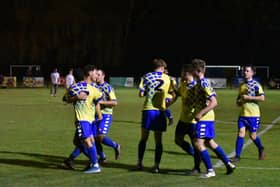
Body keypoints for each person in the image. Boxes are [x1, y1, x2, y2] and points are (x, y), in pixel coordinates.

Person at [191, 58, 235, 178]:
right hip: (208, 118)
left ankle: (210, 171)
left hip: (205, 118)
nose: (191, 71)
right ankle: (228, 164)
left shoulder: (204, 83)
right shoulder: (201, 83)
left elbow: (214, 102)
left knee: (198, 143)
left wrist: (200, 113)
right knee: (210, 143)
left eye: (192, 69)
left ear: (197, 70)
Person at [63, 65, 103, 174]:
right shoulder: (77, 87)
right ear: (89, 73)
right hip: (86, 120)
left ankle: (95, 164)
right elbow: (65, 99)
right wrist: (76, 97)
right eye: (95, 73)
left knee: (87, 141)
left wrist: (99, 116)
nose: (96, 76)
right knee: (88, 140)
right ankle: (94, 163)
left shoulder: (93, 88)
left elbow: (65, 99)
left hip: (85, 120)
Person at [137, 58, 174, 173]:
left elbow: (141, 93)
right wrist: (167, 100)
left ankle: (139, 162)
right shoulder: (168, 78)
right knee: (158, 141)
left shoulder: (146, 76)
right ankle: (156, 166)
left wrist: (148, 92)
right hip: (160, 112)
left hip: (148, 110)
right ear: (162, 68)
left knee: (143, 138)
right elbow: (172, 94)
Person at [230, 65, 265, 162]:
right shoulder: (242, 85)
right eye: (244, 71)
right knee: (241, 133)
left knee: (252, 136)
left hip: (253, 115)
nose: (244, 72)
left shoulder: (256, 85)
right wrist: (239, 102)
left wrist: (249, 98)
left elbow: (262, 98)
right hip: (242, 115)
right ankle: (237, 156)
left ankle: (261, 148)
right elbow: (238, 101)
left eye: (247, 71)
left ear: (252, 73)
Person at [172, 64, 201, 174]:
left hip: (193, 121)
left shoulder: (196, 87)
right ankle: (194, 154)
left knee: (196, 143)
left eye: (182, 72)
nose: (181, 75)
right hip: (183, 119)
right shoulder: (183, 85)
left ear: (188, 73)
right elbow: (178, 93)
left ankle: (197, 167)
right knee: (178, 140)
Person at [93, 69, 121, 163]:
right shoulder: (93, 86)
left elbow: (114, 102)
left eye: (99, 74)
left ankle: (116, 146)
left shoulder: (108, 87)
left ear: (103, 76)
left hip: (106, 115)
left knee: (100, 136)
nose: (97, 76)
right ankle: (102, 157)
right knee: (94, 138)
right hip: (95, 115)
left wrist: (101, 102)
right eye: (96, 74)